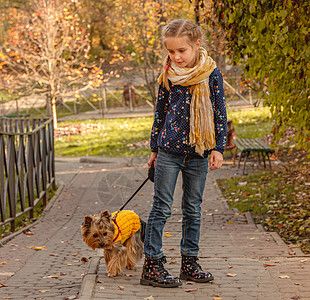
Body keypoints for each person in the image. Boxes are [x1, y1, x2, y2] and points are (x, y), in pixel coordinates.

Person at [140, 19, 227, 288]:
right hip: (169, 151)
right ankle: (152, 265)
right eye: (171, 52)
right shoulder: (168, 75)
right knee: (161, 207)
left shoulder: (211, 75)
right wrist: (154, 149)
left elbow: (220, 112)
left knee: (193, 209)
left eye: (181, 51)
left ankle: (190, 262)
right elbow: (160, 113)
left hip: (199, 152)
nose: (176, 57)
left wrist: (218, 147)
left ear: (196, 45)